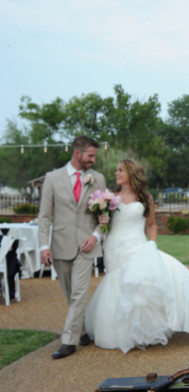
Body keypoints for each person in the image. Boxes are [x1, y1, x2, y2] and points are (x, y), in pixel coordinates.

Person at [84, 159, 189, 353]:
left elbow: (151, 225)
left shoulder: (145, 198)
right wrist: (103, 221)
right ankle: (117, 333)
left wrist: (151, 244)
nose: (116, 173)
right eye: (116, 170)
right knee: (117, 285)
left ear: (131, 173)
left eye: (120, 170)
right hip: (114, 246)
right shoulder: (110, 198)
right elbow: (105, 225)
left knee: (140, 287)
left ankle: (142, 332)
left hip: (138, 246)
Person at [38, 135, 106, 359]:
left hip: (86, 245)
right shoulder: (52, 178)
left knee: (79, 293)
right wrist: (42, 247)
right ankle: (83, 331)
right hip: (60, 244)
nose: (93, 160)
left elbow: (104, 216)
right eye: (90, 155)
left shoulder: (98, 179)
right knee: (70, 295)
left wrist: (96, 236)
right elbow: (45, 216)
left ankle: (69, 341)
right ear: (78, 154)